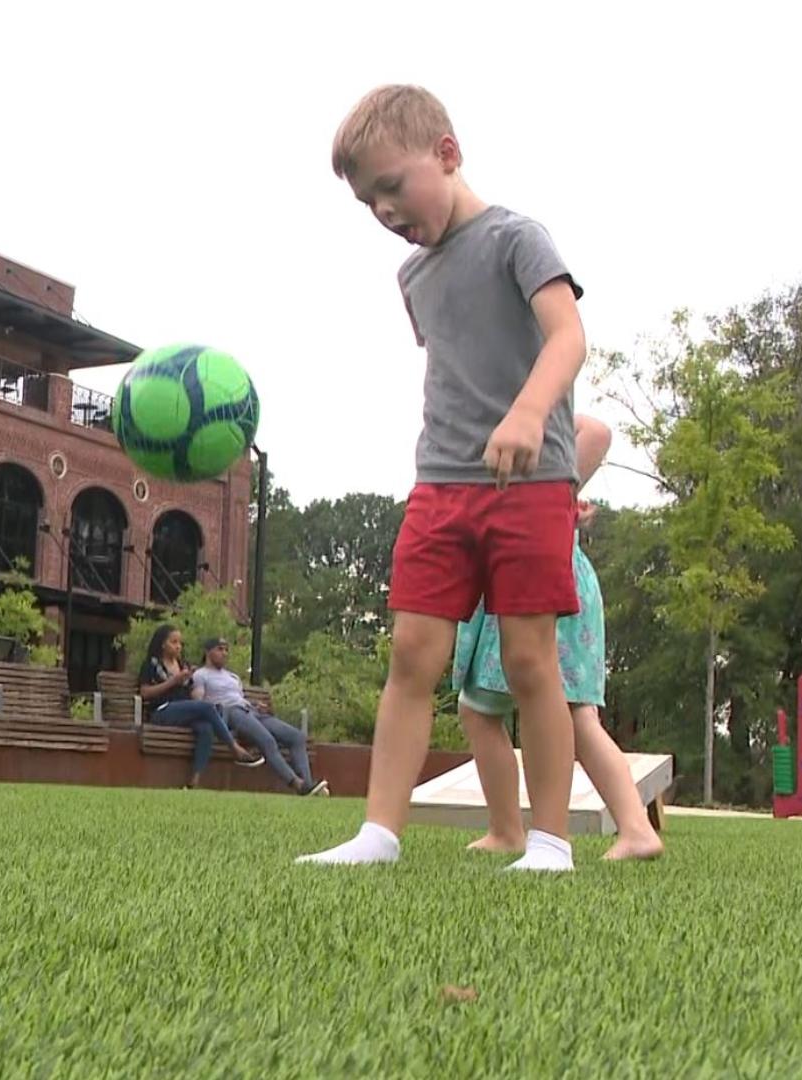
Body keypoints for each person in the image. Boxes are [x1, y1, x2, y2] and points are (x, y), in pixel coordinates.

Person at [299, 85, 588, 872]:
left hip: (529, 486)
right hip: (439, 487)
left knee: (531, 662)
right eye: (368, 202)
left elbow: (568, 338)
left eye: (393, 186)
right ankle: (378, 835)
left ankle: (552, 842)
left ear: (448, 155)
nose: (385, 210)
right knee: (411, 656)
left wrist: (528, 414)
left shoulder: (517, 240)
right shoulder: (411, 278)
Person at [453, 415, 664, 862]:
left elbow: (597, 432)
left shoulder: (516, 404)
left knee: (487, 709)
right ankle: (634, 827)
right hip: (549, 574)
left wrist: (558, 498)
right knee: (569, 714)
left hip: (534, 576)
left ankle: (508, 829)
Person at [191, 638, 330, 797]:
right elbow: (199, 702)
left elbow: (238, 697)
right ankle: (297, 784)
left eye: (226, 650)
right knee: (268, 741)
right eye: (220, 649)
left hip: (249, 711)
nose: (224, 653)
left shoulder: (233, 677)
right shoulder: (201, 675)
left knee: (297, 737)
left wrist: (256, 705)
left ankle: (308, 784)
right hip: (232, 713)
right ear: (207, 652)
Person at [138, 624, 263, 788]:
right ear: (163, 644)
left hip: (184, 711)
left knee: (206, 728)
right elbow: (145, 693)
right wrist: (173, 681)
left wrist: (189, 679)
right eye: (173, 642)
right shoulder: (151, 664)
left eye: (180, 643)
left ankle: (194, 781)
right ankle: (235, 748)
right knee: (206, 707)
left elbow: (190, 694)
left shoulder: (183, 665)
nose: (178, 647)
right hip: (162, 711)